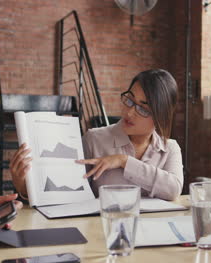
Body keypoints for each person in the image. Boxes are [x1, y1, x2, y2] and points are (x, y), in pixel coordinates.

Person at [10, 69, 183, 201]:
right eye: (129, 100)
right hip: (100, 234)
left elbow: (173, 190)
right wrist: (24, 188)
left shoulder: (170, 149)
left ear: (162, 115)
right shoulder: (94, 139)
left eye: (143, 108)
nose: (129, 113)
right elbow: (65, 194)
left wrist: (124, 162)